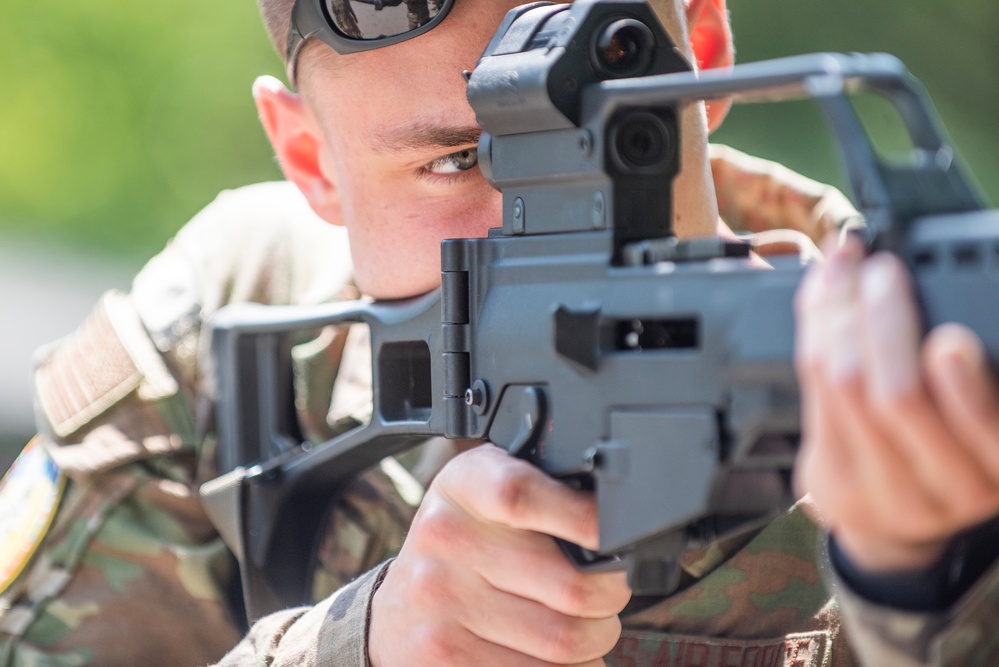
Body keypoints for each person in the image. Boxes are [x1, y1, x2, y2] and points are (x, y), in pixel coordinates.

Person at [2, 0, 999, 665]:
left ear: (700, 42)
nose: (555, 210)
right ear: (312, 158)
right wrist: (361, 643)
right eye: (461, 158)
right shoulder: (227, 321)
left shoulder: (938, 368)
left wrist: (924, 587)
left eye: (614, 132)